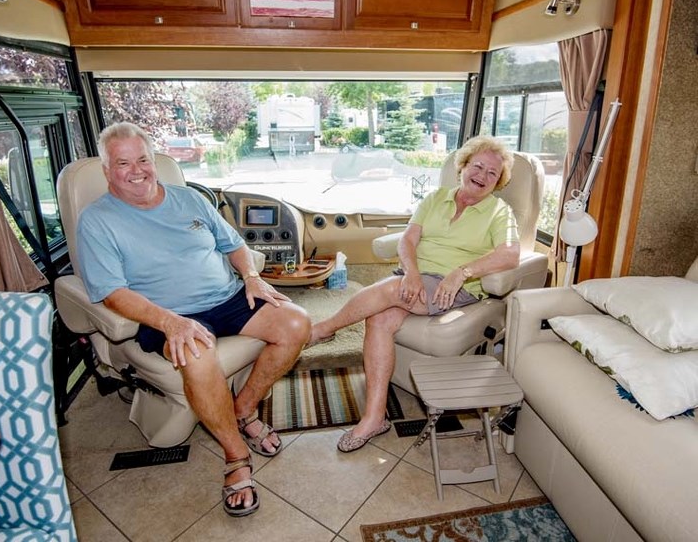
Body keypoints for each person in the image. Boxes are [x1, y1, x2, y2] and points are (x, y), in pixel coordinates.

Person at [77, 122, 310, 517]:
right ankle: (236, 455)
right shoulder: (97, 220)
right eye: (122, 163)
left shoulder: (190, 199)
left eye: (143, 159)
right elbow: (113, 292)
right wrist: (171, 323)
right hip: (166, 314)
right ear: (106, 170)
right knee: (200, 354)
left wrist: (251, 277)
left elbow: (233, 244)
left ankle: (243, 409)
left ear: (154, 161)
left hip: (226, 297)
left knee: (297, 322)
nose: (136, 170)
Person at [309, 136, 520, 452]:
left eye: (493, 173)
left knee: (390, 291)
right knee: (379, 319)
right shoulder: (435, 198)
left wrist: (461, 273)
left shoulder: (499, 212)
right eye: (478, 166)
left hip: (455, 289)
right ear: (463, 166)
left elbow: (510, 254)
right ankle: (374, 418)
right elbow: (407, 241)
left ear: (498, 182)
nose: (483, 175)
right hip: (416, 278)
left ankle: (322, 330)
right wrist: (412, 273)